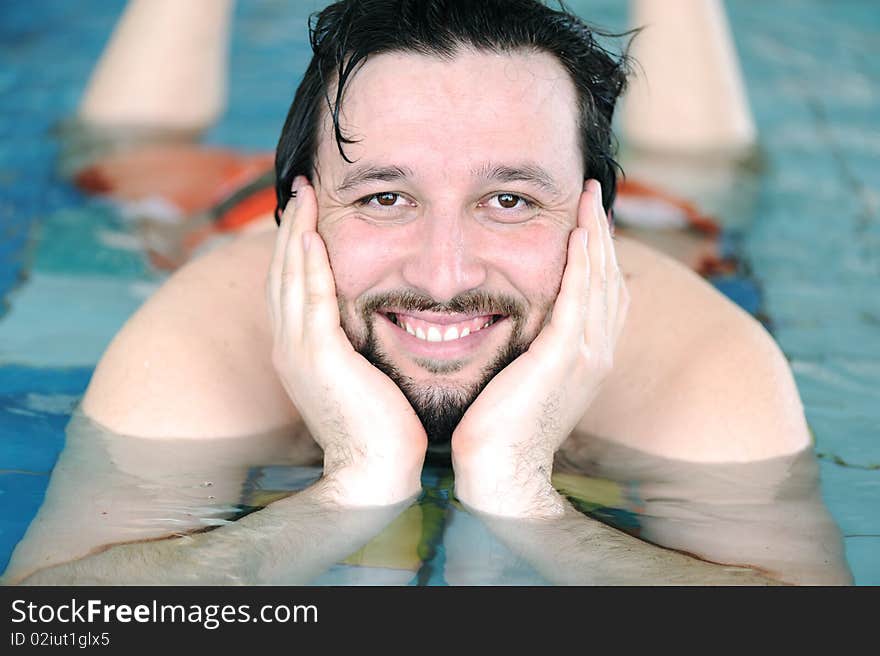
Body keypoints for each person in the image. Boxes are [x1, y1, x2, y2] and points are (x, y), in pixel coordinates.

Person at [2, 0, 850, 585]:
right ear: (301, 213)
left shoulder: (701, 366)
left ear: (589, 221)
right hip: (217, 220)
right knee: (120, 161)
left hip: (663, 250)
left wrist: (519, 491)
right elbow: (51, 625)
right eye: (383, 197)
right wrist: (354, 488)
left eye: (509, 200)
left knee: (704, 193)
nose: (444, 277)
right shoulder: (200, 343)